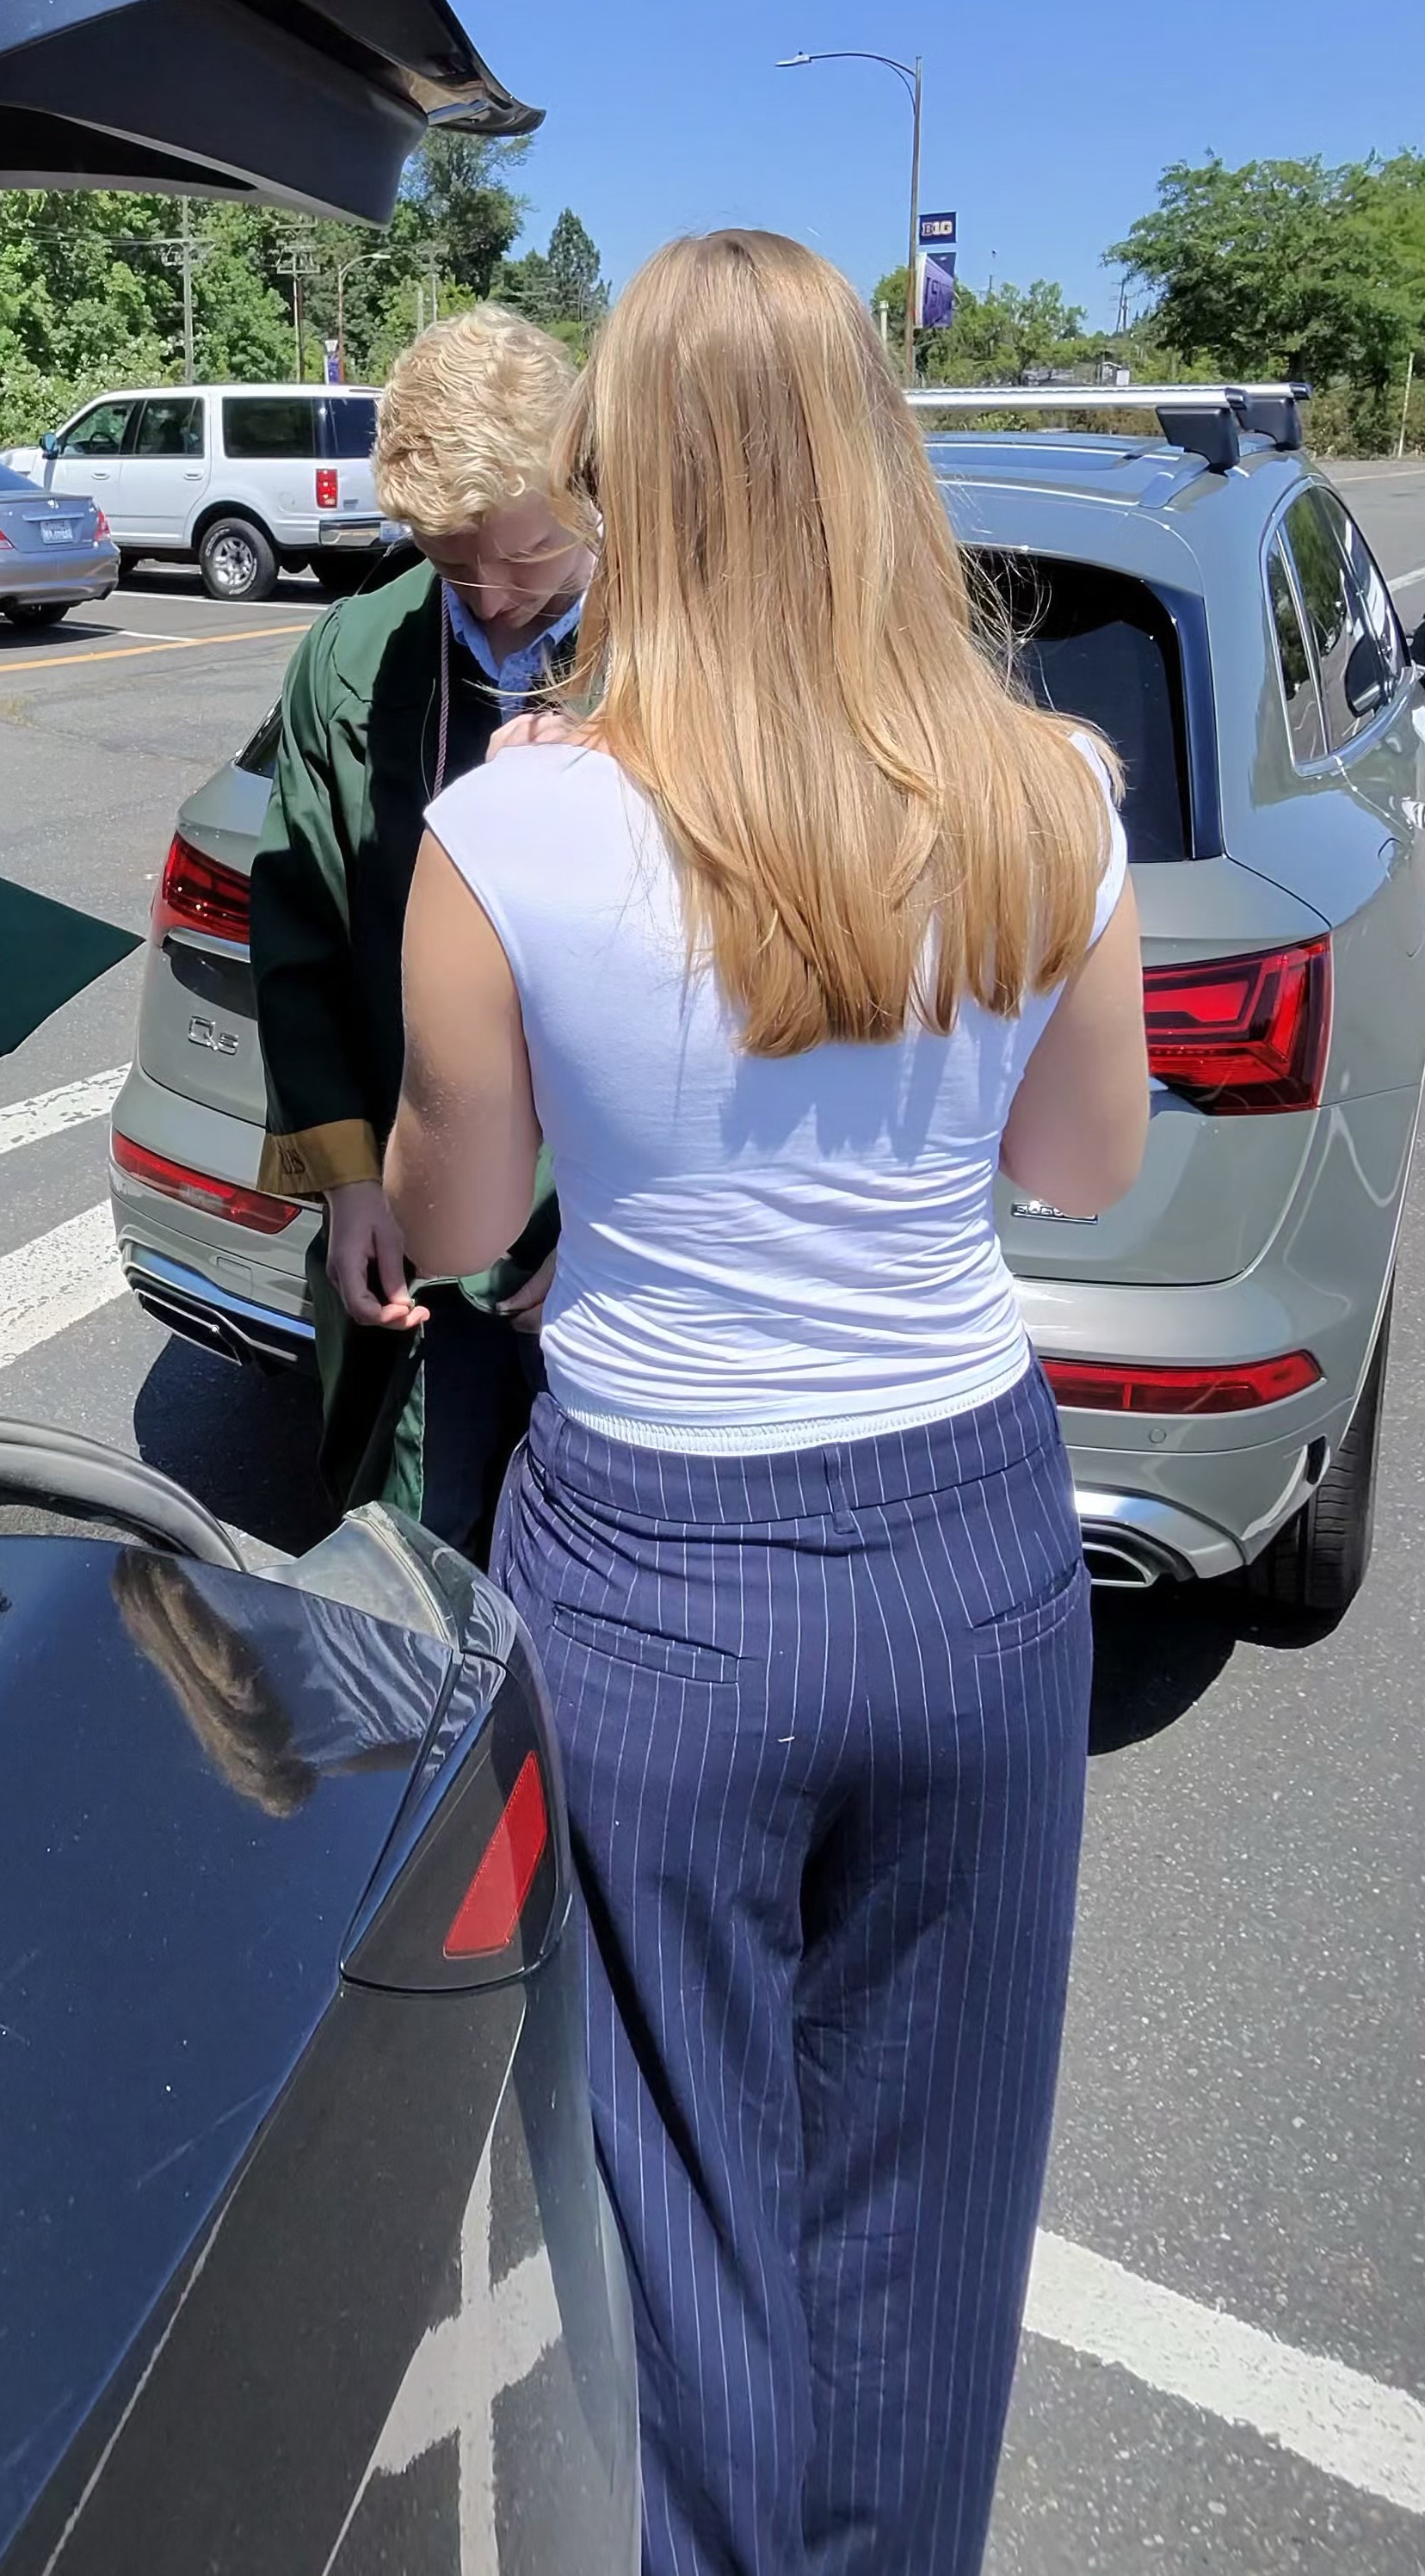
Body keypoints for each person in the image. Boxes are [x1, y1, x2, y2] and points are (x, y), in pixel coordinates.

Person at [385, 232, 1149, 2576]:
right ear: (873, 466)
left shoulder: (508, 829)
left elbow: (449, 1227)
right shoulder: (1045, 788)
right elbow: (1083, 1166)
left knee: (698, 2214)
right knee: (929, 2224)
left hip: (649, 1560)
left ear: (636, 484)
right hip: (972, 1550)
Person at [250, 304, 589, 1549]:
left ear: (584, 483)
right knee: (416, 1577)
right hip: (418, 1238)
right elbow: (299, 946)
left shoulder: (679, 661)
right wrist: (342, 1182)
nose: (494, 598)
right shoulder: (357, 658)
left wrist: (635, 1219)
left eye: (530, 554)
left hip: (613, 1261)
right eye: (454, 565)